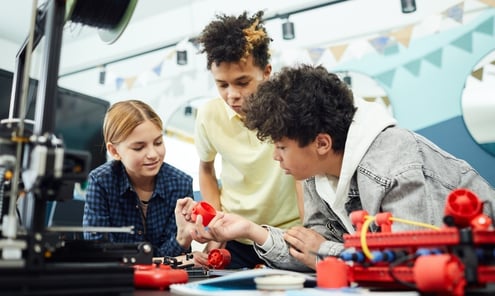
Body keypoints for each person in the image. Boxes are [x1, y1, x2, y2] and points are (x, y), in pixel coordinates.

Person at [178, 64, 495, 271]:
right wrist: (251, 231)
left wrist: (325, 250)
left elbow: (410, 261)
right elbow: (310, 251)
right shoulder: (319, 174)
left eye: (282, 147)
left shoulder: (393, 162)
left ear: (321, 143)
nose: (276, 158)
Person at [192, 10, 303, 268]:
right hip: (234, 236)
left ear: (266, 72)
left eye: (242, 82)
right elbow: (206, 168)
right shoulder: (208, 115)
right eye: (222, 85)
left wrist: (309, 229)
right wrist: (213, 222)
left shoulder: (291, 109)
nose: (232, 95)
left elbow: (302, 176)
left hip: (285, 235)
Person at [83, 99, 194, 257]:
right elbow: (99, 250)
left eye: (158, 142)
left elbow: (178, 258)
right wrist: (176, 244)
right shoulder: (100, 182)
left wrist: (182, 240)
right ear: (114, 151)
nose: (153, 154)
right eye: (139, 147)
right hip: (116, 279)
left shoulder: (181, 184)